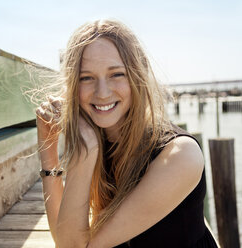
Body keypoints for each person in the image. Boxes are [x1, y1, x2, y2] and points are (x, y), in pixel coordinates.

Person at [35, 19, 219, 248]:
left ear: (137, 75)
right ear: (73, 85)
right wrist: (48, 147)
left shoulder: (180, 155)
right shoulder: (98, 140)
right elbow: (65, 238)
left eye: (116, 74)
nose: (102, 93)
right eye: (86, 78)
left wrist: (85, 149)